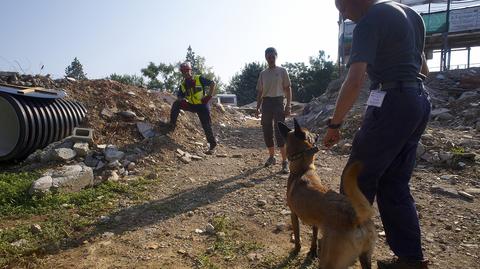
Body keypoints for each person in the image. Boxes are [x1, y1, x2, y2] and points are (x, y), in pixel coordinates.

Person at [323, 0, 431, 268]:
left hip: (392, 100)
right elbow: (423, 69)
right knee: (394, 183)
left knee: (354, 181)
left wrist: (334, 125)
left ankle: (340, 258)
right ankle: (410, 259)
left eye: (343, 10)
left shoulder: (369, 21)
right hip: (418, 100)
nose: (345, 17)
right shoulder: (411, 15)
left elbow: (356, 79)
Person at [256, 47, 292, 174]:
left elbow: (288, 89)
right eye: (268, 57)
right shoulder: (263, 74)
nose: (270, 59)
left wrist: (288, 105)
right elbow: (260, 92)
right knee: (266, 130)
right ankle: (272, 157)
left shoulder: (282, 71)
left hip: (278, 102)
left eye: (272, 56)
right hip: (266, 103)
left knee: (280, 132)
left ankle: (285, 161)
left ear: (276, 56)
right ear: (265, 57)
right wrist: (257, 107)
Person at [168, 62, 217, 154]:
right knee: (176, 104)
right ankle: (172, 125)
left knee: (206, 125)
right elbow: (179, 97)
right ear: (181, 73)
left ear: (190, 70)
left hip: (202, 105)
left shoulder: (199, 78)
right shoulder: (182, 85)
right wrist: (181, 99)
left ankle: (212, 145)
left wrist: (209, 96)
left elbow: (213, 83)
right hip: (191, 105)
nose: (185, 73)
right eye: (183, 71)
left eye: (187, 71)